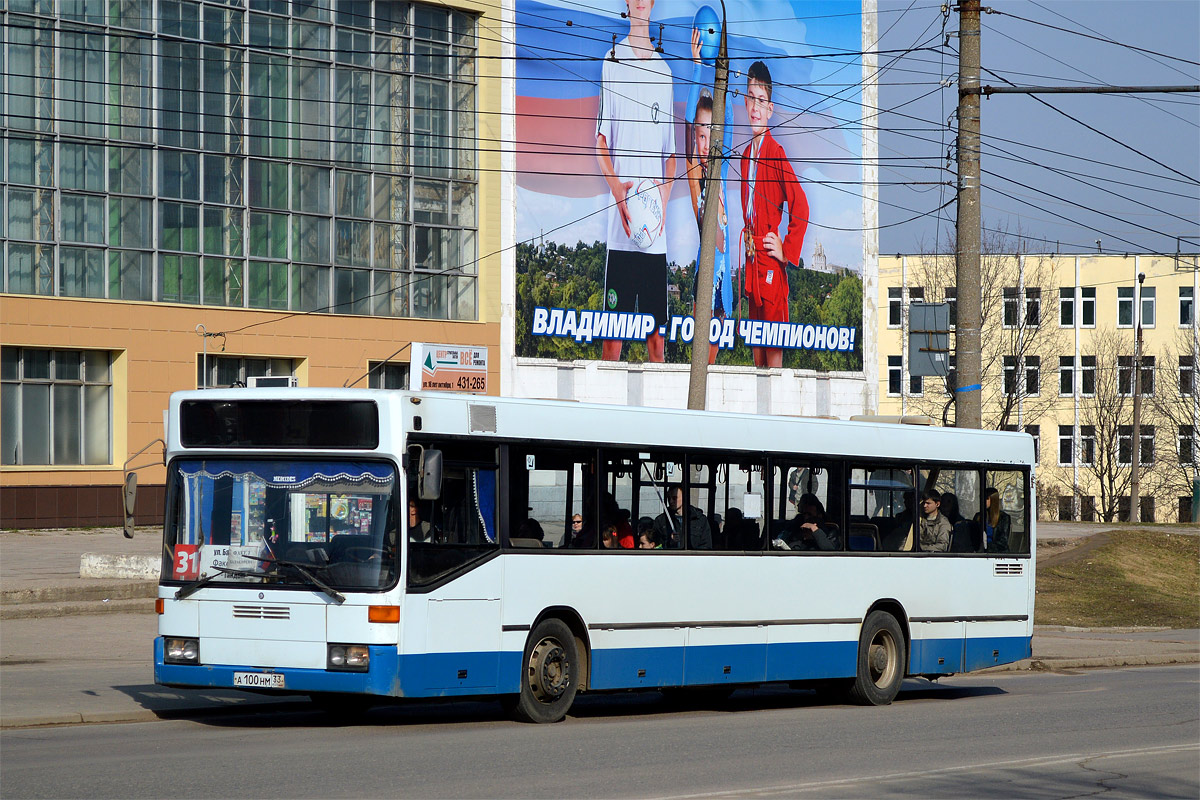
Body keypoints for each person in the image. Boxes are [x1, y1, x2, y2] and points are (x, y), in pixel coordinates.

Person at [595, 0, 676, 363]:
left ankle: (662, 419)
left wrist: (662, 196)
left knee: (657, 342)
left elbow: (672, 155)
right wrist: (616, 189)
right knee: (612, 339)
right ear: (627, 2)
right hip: (621, 232)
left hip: (654, 239)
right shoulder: (611, 60)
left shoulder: (665, 73)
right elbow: (601, 143)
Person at [739, 60, 809, 368]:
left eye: (762, 101)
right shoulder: (744, 157)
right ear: (745, 102)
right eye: (751, 98)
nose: (755, 107)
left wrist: (785, 250)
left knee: (773, 360)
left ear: (770, 108)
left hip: (769, 265)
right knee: (756, 356)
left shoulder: (776, 153)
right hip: (751, 263)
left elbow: (801, 206)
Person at [685, 26, 733, 364]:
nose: (706, 142)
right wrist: (696, 67)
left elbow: (727, 121)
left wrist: (722, 79)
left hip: (724, 275)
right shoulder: (695, 174)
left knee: (715, 355)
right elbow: (690, 120)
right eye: (700, 135)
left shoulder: (721, 169)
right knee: (701, 354)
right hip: (707, 274)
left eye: (710, 134)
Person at [775, 493, 839, 551]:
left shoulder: (831, 531)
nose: (806, 517)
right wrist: (801, 537)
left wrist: (815, 530)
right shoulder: (795, 525)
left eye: (809, 514)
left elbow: (830, 550)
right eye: (804, 513)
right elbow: (783, 542)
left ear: (819, 514)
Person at [975, 487, 1012, 553]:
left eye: (986, 499)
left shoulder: (1003, 518)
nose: (983, 501)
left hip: (997, 554)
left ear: (993, 500)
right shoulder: (978, 516)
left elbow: (1003, 541)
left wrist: (986, 547)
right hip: (980, 553)